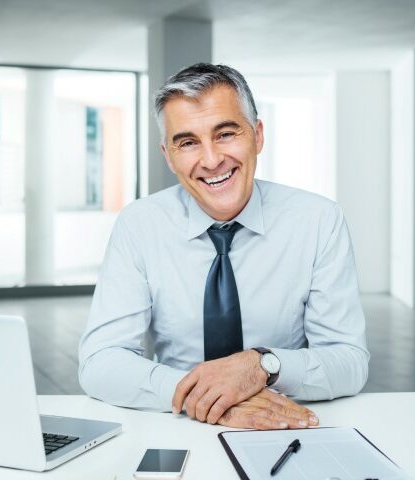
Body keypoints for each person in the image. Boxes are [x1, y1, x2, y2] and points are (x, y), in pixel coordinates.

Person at [78, 63, 369, 431]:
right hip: (177, 422)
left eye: (226, 133)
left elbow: (349, 362)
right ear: (168, 156)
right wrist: (209, 399)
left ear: (257, 135)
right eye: (187, 142)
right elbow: (100, 361)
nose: (212, 160)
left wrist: (262, 366)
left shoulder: (318, 220)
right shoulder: (139, 224)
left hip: (282, 421)